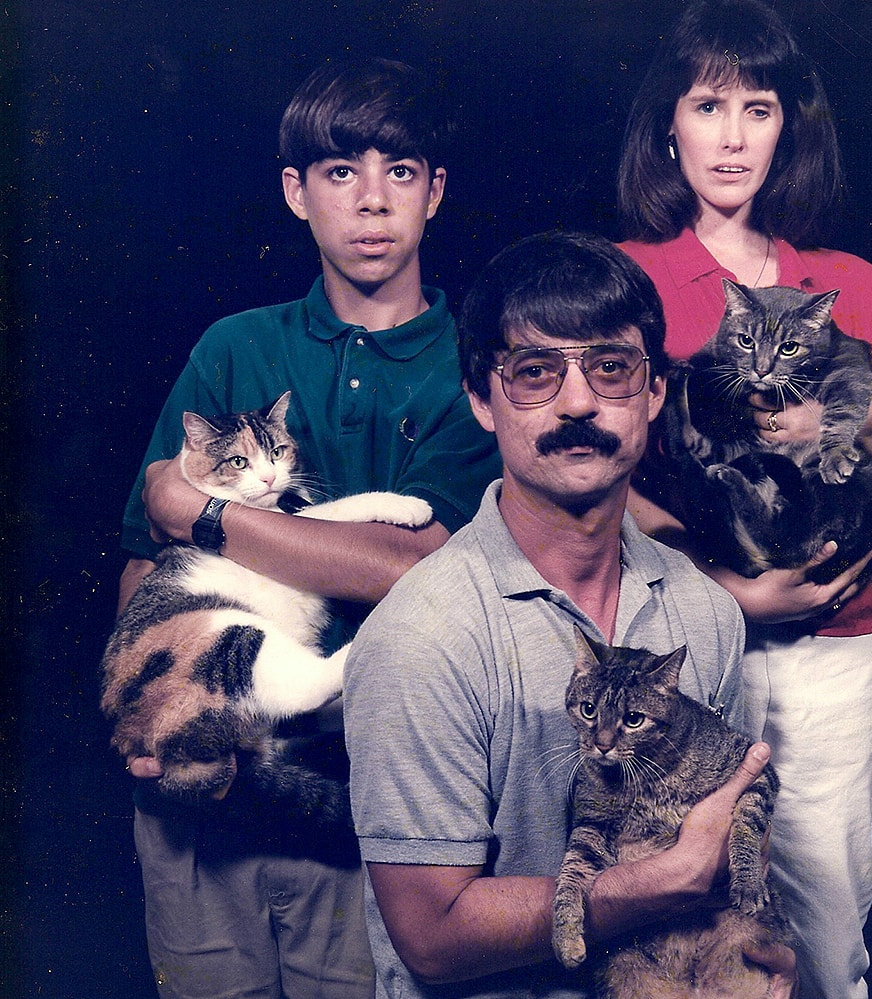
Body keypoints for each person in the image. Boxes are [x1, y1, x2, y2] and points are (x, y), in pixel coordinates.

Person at [116, 57, 501, 999]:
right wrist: (144, 707)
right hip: (204, 782)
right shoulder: (235, 346)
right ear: (296, 192)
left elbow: (411, 562)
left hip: (366, 793)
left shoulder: (474, 365)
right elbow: (143, 561)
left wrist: (204, 512)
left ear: (434, 193)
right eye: (339, 172)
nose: (371, 200)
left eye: (399, 172)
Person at [615, 3, 872, 997]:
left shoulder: (850, 285)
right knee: (678, 948)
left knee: (820, 948)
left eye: (758, 109)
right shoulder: (627, 280)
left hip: (827, 663)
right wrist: (724, 591)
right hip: (671, 665)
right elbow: (587, 483)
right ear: (668, 125)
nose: (732, 137)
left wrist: (844, 409)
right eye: (708, 106)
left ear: (788, 129)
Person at [343, 230, 799, 999]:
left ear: (654, 393)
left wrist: (751, 958)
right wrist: (659, 883)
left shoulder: (706, 611)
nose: (579, 401)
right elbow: (429, 937)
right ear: (481, 399)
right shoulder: (421, 633)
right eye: (534, 372)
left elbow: (718, 836)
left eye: (611, 367)